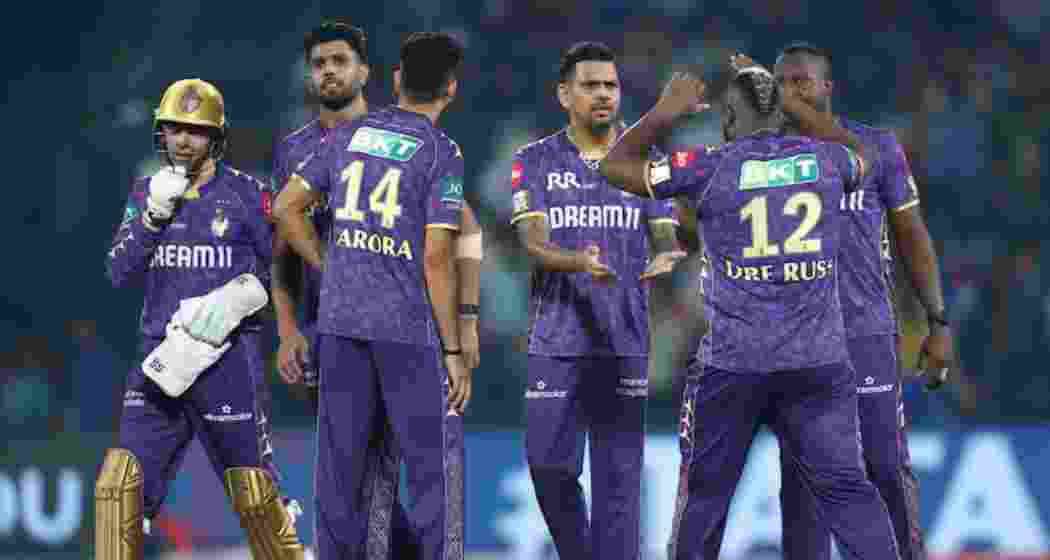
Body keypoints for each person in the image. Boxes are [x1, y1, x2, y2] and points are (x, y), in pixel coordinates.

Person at [599, 58, 901, 559]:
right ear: (783, 113)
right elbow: (867, 156)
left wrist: (663, 112)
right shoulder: (826, 160)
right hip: (818, 364)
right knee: (849, 492)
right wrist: (800, 106)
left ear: (728, 120)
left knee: (706, 499)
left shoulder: (709, 166)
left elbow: (614, 167)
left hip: (734, 366)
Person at [273, 32, 468, 560]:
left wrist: (327, 263)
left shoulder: (349, 135)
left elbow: (287, 208)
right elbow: (435, 258)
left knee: (339, 473)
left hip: (339, 324)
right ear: (450, 89)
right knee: (431, 471)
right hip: (404, 329)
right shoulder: (441, 152)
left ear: (398, 79)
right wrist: (453, 350)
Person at [98, 78, 305, 560]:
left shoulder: (249, 196)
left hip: (226, 364)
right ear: (161, 133)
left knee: (256, 495)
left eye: (196, 129)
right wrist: (151, 218)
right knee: (118, 489)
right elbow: (117, 272)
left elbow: (287, 269)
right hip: (159, 361)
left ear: (216, 136)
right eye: (174, 129)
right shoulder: (146, 191)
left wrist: (241, 297)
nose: (184, 140)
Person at [772, 42, 954, 560]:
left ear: (827, 86)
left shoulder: (875, 148)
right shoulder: (765, 158)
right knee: (803, 481)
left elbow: (911, 232)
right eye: (782, 82)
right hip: (793, 345)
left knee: (884, 465)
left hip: (866, 333)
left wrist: (937, 321)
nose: (790, 91)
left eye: (802, 80)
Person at [510, 41, 682, 560]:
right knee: (548, 465)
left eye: (610, 85)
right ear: (565, 94)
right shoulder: (535, 160)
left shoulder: (647, 161)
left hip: (624, 339)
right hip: (557, 336)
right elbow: (532, 243)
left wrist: (669, 255)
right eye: (590, 85)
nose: (603, 94)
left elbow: (666, 234)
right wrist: (576, 262)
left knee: (619, 486)